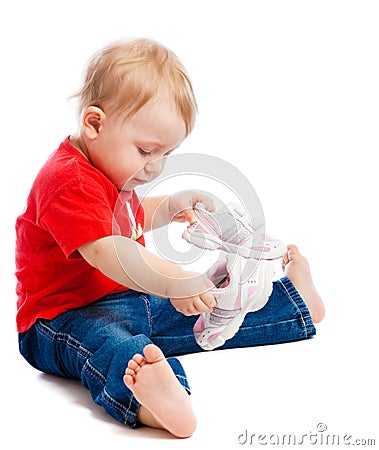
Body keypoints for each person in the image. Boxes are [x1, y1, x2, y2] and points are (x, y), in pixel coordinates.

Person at [15, 39, 325, 439]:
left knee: (209, 312)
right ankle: (152, 399)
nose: (155, 168)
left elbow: (129, 221)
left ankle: (292, 302)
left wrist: (169, 207)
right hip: (60, 319)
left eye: (167, 154)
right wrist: (174, 278)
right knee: (112, 345)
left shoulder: (111, 169)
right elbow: (111, 250)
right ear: (94, 124)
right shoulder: (67, 181)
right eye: (147, 151)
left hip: (130, 299)